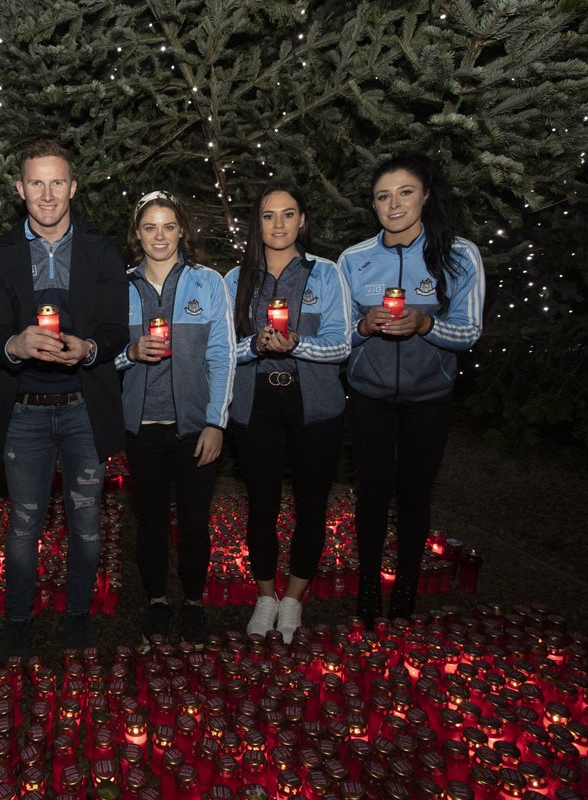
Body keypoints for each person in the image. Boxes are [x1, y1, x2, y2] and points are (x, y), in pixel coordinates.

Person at [0, 138, 129, 659]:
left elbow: (116, 329)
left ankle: (78, 619)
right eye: (36, 183)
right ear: (20, 189)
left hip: (85, 410)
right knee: (24, 524)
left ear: (73, 187)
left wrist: (89, 348)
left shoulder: (100, 249)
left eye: (56, 182)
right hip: (23, 414)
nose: (46, 194)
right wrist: (15, 345)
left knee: (87, 522)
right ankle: (18, 621)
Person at [338, 152, 485, 627]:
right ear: (373, 205)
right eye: (383, 196)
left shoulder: (458, 255)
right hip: (370, 398)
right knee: (372, 494)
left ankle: (405, 591)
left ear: (425, 196)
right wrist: (364, 326)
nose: (394, 204)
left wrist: (426, 324)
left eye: (405, 192)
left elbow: (470, 331)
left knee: (415, 496)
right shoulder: (354, 260)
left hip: (429, 399)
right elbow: (339, 337)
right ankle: (367, 590)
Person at [225, 183, 351, 643]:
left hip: (314, 407)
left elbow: (342, 343)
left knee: (311, 505)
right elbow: (223, 349)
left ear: (302, 220)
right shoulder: (234, 279)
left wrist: (298, 344)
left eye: (288, 214)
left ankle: (294, 597)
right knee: (261, 506)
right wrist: (254, 346)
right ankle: (265, 596)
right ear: (256, 224)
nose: (278, 224)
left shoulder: (326, 273)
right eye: (268, 215)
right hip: (256, 404)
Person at [116, 190, 234, 648]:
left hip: (194, 430)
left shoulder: (208, 282)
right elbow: (100, 355)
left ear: (182, 230)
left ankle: (195, 603)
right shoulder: (121, 286)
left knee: (193, 521)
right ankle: (158, 602)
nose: (160, 236)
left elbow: (223, 356)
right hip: (143, 428)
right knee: (149, 520)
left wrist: (216, 423)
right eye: (150, 227)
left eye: (168, 226)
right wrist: (129, 352)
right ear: (137, 234)